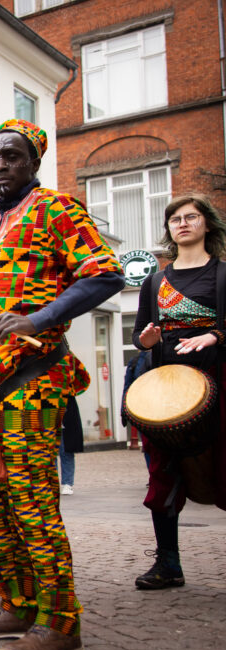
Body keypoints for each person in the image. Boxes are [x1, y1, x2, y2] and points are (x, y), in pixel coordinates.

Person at [0, 120, 124, 650]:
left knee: (31, 503)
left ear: (34, 161)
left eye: (11, 157)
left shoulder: (57, 209)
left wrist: (39, 317)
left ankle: (61, 622)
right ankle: (17, 606)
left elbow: (106, 273)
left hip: (34, 380)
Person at [131, 194, 226, 590]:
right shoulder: (155, 281)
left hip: (217, 382)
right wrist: (148, 339)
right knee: (162, 475)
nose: (183, 224)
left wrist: (213, 335)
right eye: (175, 219)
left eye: (191, 217)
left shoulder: (222, 274)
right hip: (166, 389)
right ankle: (168, 564)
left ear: (207, 225)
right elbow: (139, 335)